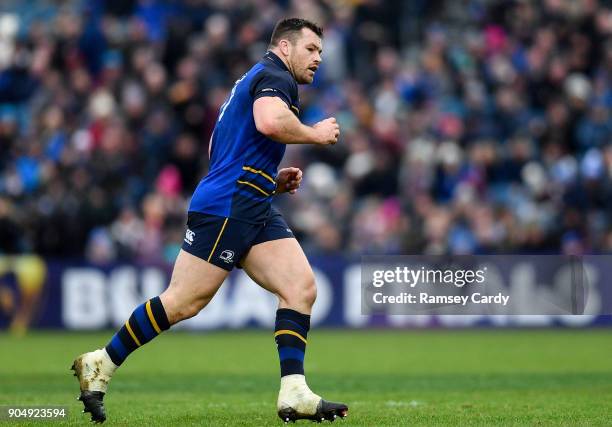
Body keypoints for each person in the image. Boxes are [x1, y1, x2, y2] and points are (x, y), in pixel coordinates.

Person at [71, 18, 348, 424]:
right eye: (311, 50)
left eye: (321, 52)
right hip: (228, 207)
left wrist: (269, 182)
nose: (318, 59)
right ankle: (102, 362)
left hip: (249, 202)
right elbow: (269, 123)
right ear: (285, 48)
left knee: (300, 288)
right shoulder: (275, 76)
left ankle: (294, 392)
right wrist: (314, 133)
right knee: (184, 302)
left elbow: (230, 151)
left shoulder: (255, 78)